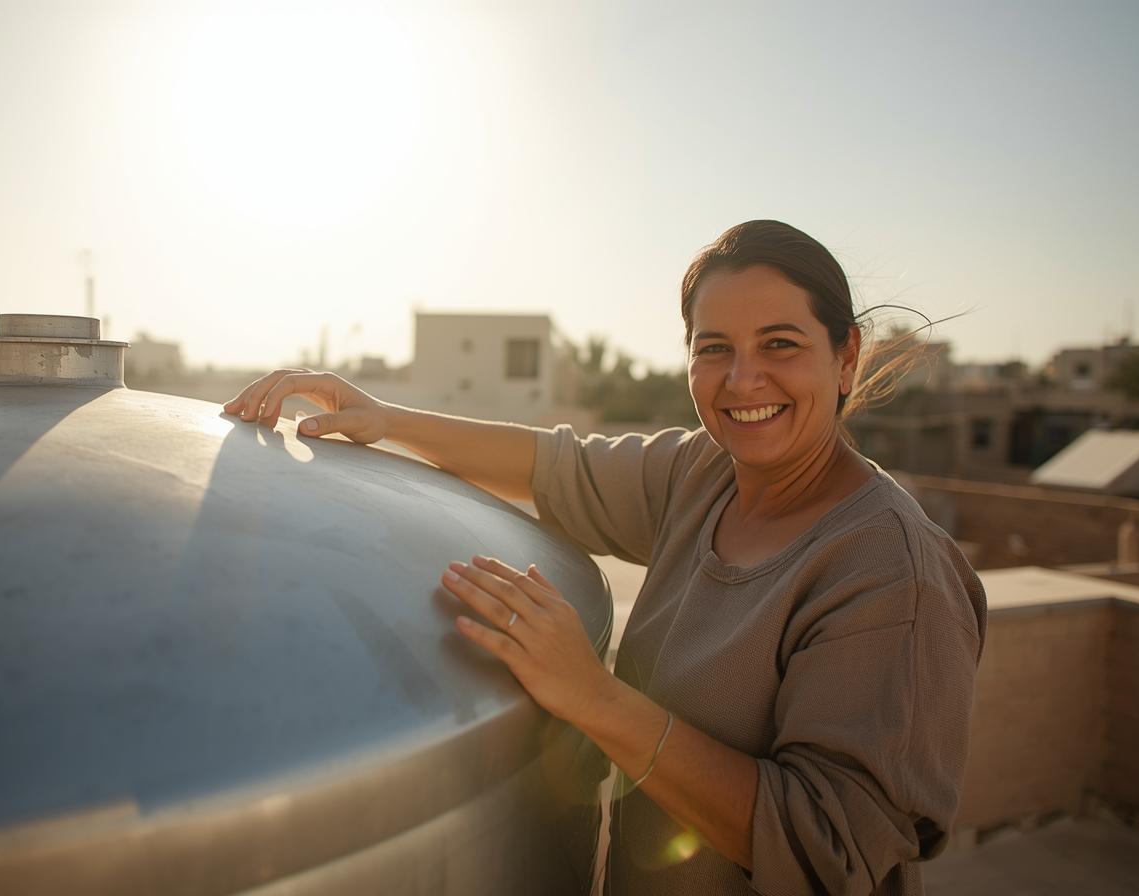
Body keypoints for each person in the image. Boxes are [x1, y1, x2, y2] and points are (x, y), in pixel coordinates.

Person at [223, 220, 986, 895]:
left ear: (846, 356)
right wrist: (383, 418)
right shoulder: (705, 475)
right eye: (713, 349)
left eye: (779, 345)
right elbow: (556, 467)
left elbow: (830, 852)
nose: (742, 380)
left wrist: (591, 695)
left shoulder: (890, 572)